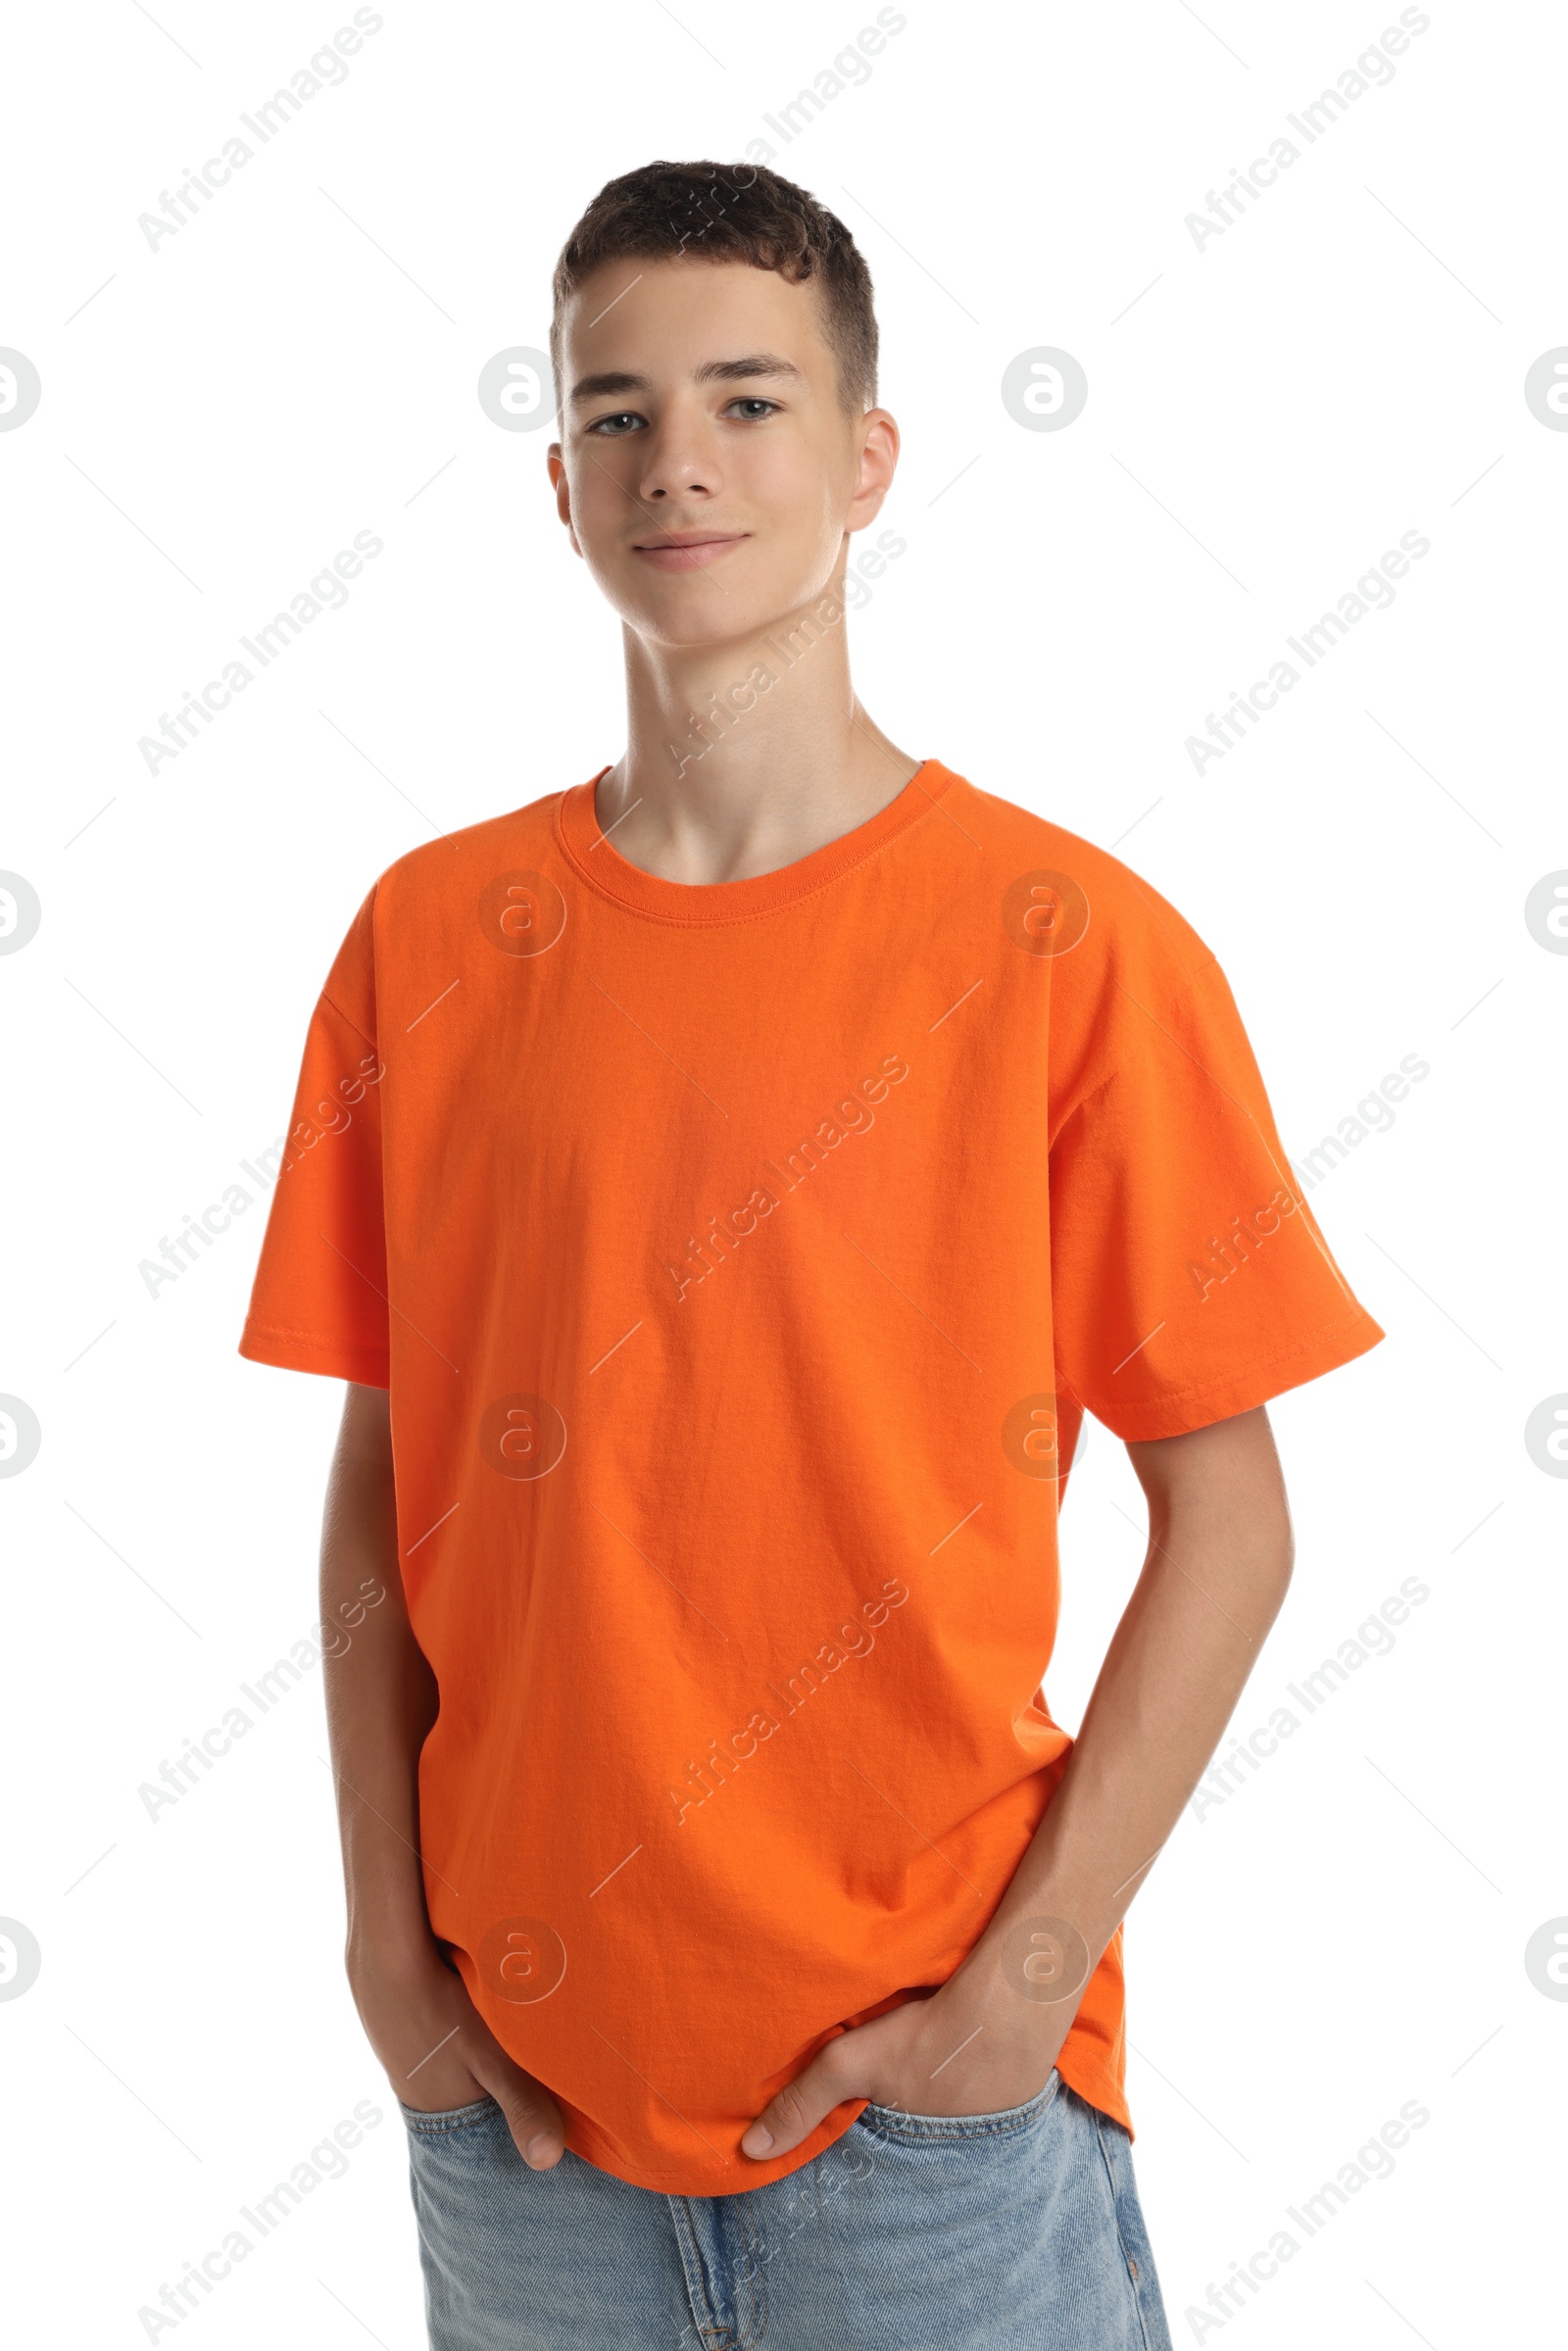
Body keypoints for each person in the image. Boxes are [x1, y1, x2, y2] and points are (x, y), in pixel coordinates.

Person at [238, 159, 1384, 2351]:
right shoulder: (424, 942)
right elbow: (387, 1482)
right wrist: (391, 1964)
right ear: (558, 481)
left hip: (928, 2130)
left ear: (866, 459)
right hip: (522, 2127)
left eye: (750, 402)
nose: (678, 460)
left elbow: (1226, 1517)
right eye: (615, 411)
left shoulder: (1069, 950)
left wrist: (1011, 2000)